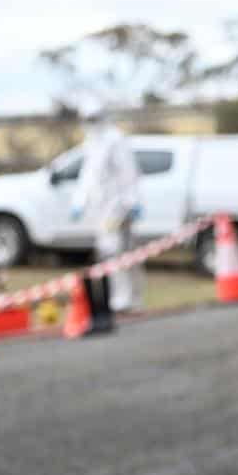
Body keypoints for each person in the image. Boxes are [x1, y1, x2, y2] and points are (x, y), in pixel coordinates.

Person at [69, 102, 143, 335]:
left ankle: (126, 299)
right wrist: (79, 202)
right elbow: (87, 177)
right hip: (100, 208)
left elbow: (128, 173)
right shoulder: (92, 143)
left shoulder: (115, 139)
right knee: (109, 253)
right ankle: (119, 298)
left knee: (118, 252)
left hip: (117, 206)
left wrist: (133, 201)